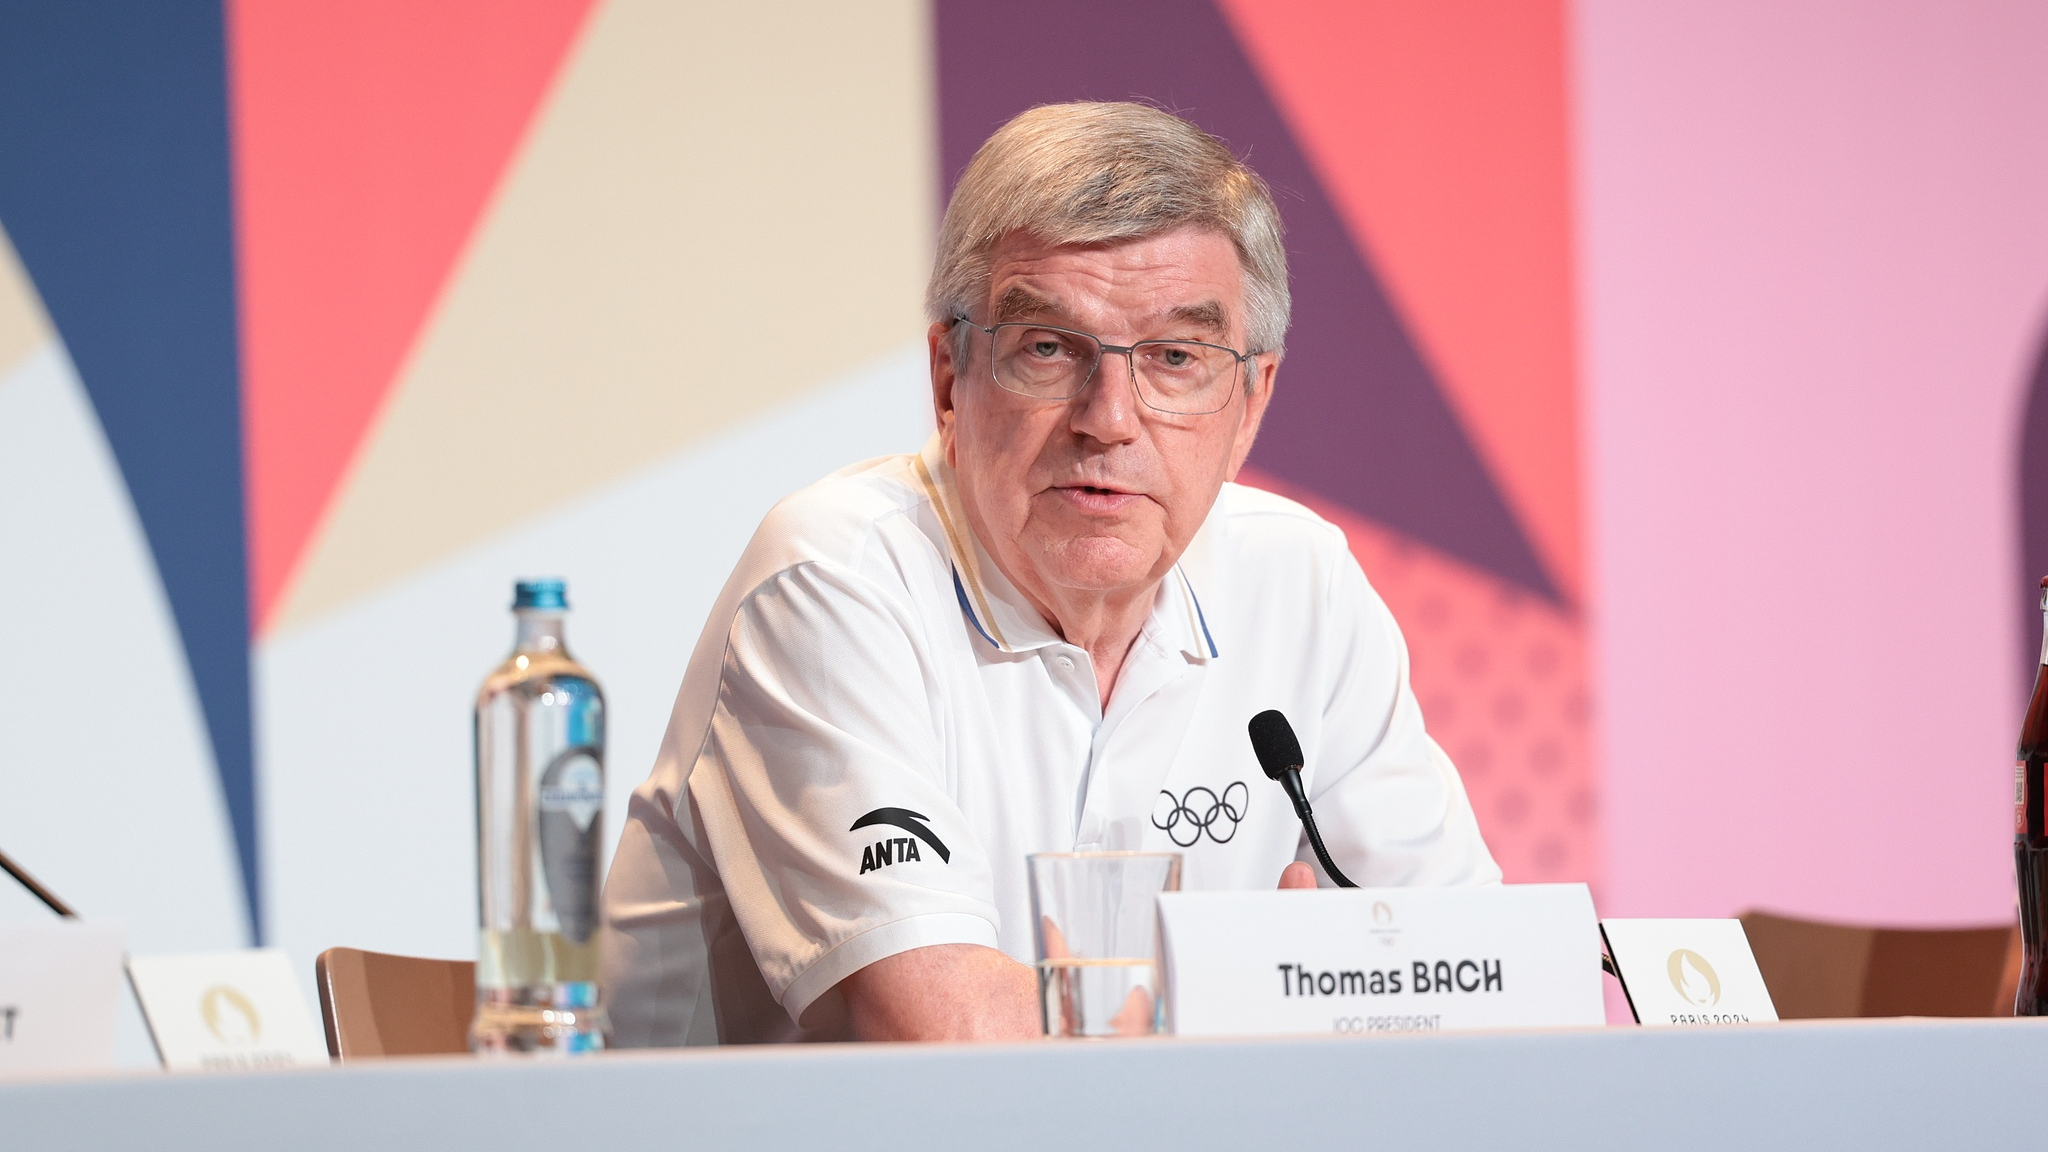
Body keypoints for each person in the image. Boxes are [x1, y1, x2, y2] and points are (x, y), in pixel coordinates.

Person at [600, 101, 1499, 1045]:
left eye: (1176, 358)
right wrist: (1277, 991)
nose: (1108, 418)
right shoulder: (835, 577)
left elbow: (1483, 986)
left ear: (1251, 402)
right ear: (950, 377)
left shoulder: (1299, 582)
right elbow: (946, 1036)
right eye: (1048, 349)